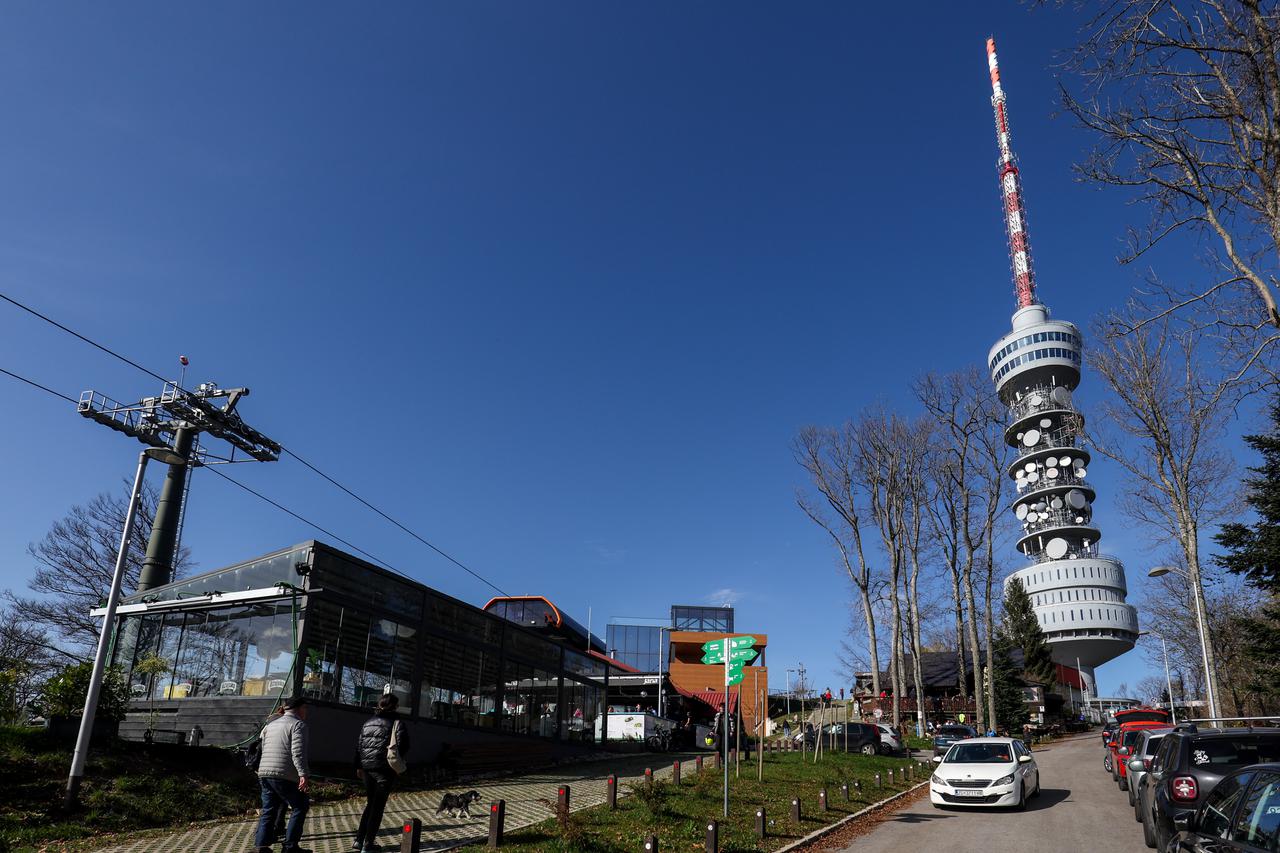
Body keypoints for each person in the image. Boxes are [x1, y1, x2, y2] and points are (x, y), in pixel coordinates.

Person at [353, 694, 410, 853]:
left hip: (367, 769)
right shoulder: (397, 723)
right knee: (378, 807)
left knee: (371, 803)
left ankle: (359, 839)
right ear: (395, 706)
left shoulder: (368, 722)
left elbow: (359, 746)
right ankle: (368, 844)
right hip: (385, 769)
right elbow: (404, 745)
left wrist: (359, 766)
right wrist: (399, 763)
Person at [255, 697, 312, 853]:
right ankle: (290, 847)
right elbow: (298, 752)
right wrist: (303, 774)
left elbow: (263, 747)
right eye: (305, 708)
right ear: (299, 708)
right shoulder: (298, 725)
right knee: (300, 806)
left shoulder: (271, 725)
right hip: (284, 774)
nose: (306, 711)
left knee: (268, 809)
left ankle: (261, 846)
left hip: (264, 772)